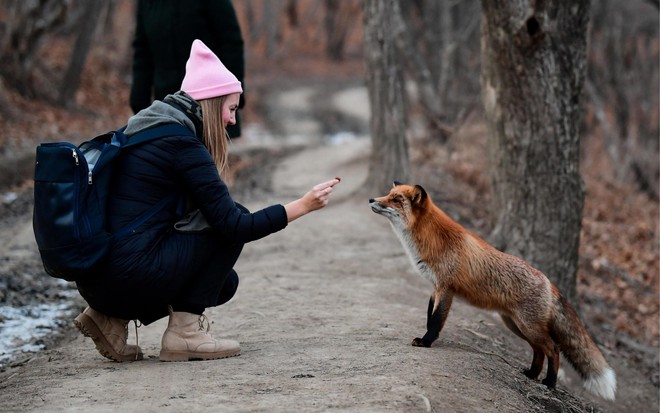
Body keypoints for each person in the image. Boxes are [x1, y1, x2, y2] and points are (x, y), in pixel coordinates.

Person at [73, 39, 340, 363]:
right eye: (230, 109)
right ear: (211, 104)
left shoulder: (147, 127)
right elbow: (235, 225)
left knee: (224, 283)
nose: (232, 121)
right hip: (127, 273)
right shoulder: (181, 145)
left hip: (99, 277)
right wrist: (302, 205)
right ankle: (184, 335)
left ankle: (109, 319)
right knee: (228, 223)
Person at [130, 0, 246, 138]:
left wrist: (233, 94)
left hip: (211, 106)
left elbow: (232, 43)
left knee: (209, 157)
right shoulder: (147, 3)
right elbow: (143, 52)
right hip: (167, 103)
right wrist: (139, 100)